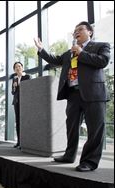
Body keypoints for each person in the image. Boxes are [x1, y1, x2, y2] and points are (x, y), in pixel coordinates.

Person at [34, 21, 111, 172]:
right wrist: (41, 49)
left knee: (95, 129)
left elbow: (103, 61)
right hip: (73, 93)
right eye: (74, 30)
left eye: (80, 29)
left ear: (90, 32)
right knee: (71, 127)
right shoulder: (69, 52)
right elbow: (55, 60)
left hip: (93, 93)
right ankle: (69, 155)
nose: (76, 32)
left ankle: (89, 162)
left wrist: (81, 53)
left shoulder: (101, 46)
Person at [11, 62, 31, 148]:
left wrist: (19, 85)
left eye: (19, 66)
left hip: (25, 102)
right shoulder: (14, 79)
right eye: (16, 67)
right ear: (14, 70)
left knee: (25, 122)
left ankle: (25, 142)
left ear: (22, 68)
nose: (18, 68)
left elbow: (29, 88)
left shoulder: (27, 77)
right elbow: (12, 92)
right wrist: (15, 87)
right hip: (16, 102)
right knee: (18, 122)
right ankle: (19, 142)